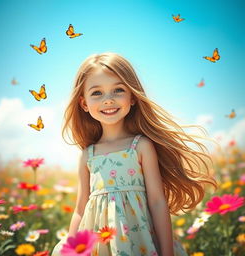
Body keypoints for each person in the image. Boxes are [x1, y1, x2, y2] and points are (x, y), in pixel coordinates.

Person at [52, 52, 217, 256]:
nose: (108, 100)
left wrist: (167, 253)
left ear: (132, 97)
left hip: (139, 242)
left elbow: (157, 202)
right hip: (99, 246)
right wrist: (70, 251)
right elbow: (80, 209)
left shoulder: (140, 146)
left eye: (118, 90)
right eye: (97, 93)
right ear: (84, 103)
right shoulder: (88, 155)